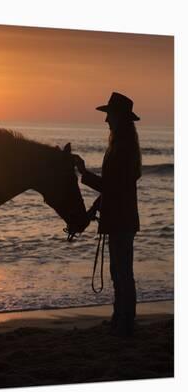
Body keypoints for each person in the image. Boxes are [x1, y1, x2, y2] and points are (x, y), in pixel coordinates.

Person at [73, 92, 142, 337]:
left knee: (122, 272)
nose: (106, 121)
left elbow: (112, 186)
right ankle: (120, 318)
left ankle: (125, 323)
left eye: (109, 115)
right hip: (120, 217)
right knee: (118, 271)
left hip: (121, 219)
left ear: (120, 117)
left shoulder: (122, 148)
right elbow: (115, 187)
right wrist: (94, 208)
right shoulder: (122, 145)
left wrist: (84, 173)